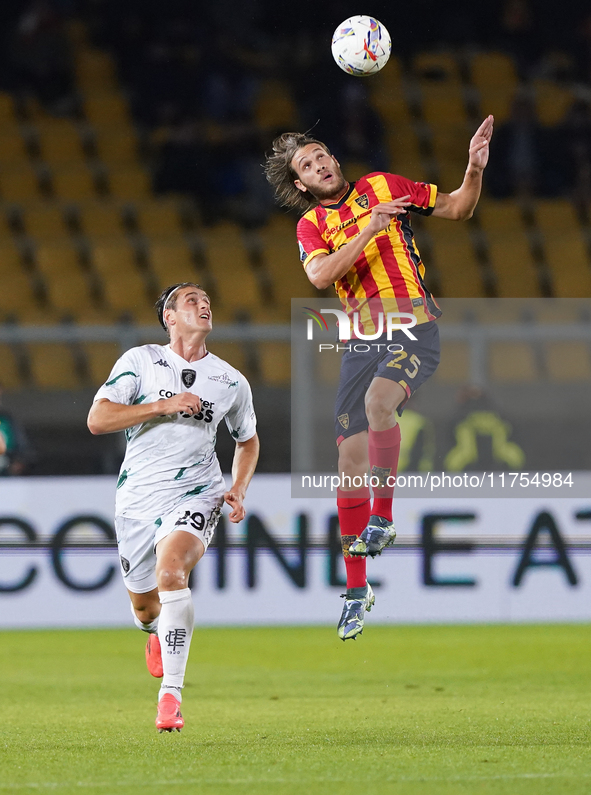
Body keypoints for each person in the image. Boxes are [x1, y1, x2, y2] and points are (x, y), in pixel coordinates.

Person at [264, 116, 493, 640]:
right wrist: (369, 228)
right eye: (307, 164)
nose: (319, 164)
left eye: (321, 154)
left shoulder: (383, 187)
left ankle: (383, 517)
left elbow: (458, 207)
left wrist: (473, 169)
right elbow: (320, 276)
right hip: (359, 340)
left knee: (377, 404)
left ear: (335, 160)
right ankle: (356, 589)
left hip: (412, 324)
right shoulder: (311, 227)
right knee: (347, 460)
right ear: (301, 185)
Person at [87, 283, 259, 732]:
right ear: (169, 316)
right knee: (145, 608)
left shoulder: (230, 381)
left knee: (172, 573)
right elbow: (97, 419)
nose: (203, 305)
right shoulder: (140, 362)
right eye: (191, 300)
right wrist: (163, 406)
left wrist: (238, 486)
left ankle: (171, 698)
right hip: (138, 498)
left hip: (198, 491)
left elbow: (248, 440)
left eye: (207, 300)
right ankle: (153, 635)